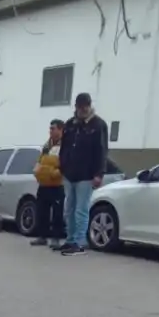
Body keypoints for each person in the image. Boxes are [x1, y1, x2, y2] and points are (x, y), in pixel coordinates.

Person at [56, 93, 109, 256]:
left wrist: (99, 173)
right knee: (68, 209)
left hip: (86, 175)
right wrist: (62, 166)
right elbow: (64, 147)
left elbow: (102, 150)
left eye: (86, 106)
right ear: (76, 107)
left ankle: (80, 242)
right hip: (69, 173)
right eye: (80, 107)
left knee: (81, 210)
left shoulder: (98, 125)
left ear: (89, 106)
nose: (83, 109)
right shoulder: (70, 124)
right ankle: (70, 239)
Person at [31, 119, 66, 248]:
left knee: (57, 213)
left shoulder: (65, 145)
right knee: (42, 212)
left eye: (53, 128)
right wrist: (37, 170)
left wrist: (57, 173)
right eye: (50, 128)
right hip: (44, 184)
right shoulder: (47, 145)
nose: (50, 131)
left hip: (57, 185)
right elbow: (41, 160)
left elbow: (66, 163)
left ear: (61, 130)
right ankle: (42, 236)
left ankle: (56, 238)